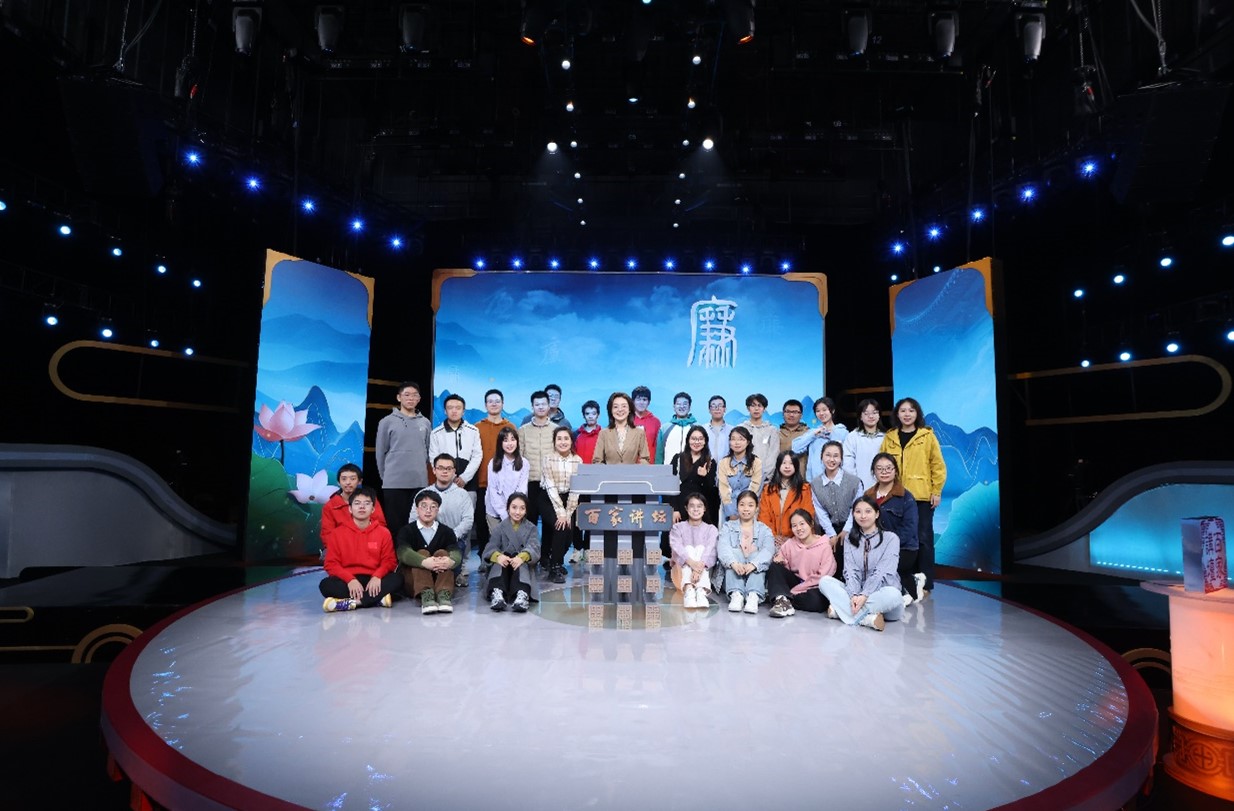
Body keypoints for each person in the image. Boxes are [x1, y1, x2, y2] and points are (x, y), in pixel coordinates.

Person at [879, 397, 946, 597]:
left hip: (921, 495)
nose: (907, 414)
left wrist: (936, 491)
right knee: (899, 537)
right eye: (903, 410)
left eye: (911, 410)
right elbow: (882, 463)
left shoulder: (927, 436)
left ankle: (925, 583)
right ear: (897, 414)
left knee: (923, 538)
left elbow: (938, 465)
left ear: (917, 413)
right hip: (895, 495)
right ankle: (903, 579)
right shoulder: (890, 437)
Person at [818, 495, 905, 631]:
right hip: (857, 596)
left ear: (877, 514)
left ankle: (843, 612)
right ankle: (867, 619)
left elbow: (883, 571)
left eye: (868, 511)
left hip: (882, 597)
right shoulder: (849, 539)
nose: (863, 516)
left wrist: (865, 595)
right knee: (824, 581)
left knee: (894, 594)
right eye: (858, 512)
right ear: (853, 515)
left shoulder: (891, 538)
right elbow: (850, 571)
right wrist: (854, 594)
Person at [319, 488, 401, 612]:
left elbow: (389, 561)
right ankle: (376, 599)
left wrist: (377, 576)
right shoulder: (337, 533)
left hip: (373, 578)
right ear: (350, 509)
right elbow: (331, 564)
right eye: (357, 503)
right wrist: (350, 580)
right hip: (347, 580)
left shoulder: (383, 533)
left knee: (398, 579)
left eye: (367, 503)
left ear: (373, 509)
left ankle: (354, 603)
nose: (362, 507)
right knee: (326, 585)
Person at [374, 381, 431, 538]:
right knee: (395, 525)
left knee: (417, 524)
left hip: (419, 482)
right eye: (407, 395)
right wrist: (386, 477)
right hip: (394, 483)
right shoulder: (387, 422)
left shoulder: (425, 422)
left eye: (414, 395)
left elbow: (427, 452)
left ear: (419, 399)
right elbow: (380, 452)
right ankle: (396, 553)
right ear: (399, 397)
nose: (411, 398)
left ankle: (412, 553)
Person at [865, 452, 921, 605]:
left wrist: (888, 546)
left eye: (889, 468)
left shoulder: (906, 497)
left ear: (895, 471)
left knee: (884, 568)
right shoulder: (868, 496)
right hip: (875, 546)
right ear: (873, 471)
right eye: (880, 468)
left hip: (904, 547)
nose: (884, 472)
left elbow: (909, 528)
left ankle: (910, 585)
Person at [396, 489, 461, 615]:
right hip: (414, 580)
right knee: (422, 552)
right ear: (417, 509)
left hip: (439, 578)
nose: (428, 510)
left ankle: (443, 595)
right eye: (424, 506)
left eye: (433, 507)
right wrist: (424, 562)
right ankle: (426, 596)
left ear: (438, 510)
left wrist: (450, 561)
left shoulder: (446, 531)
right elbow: (403, 553)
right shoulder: (407, 530)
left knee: (443, 553)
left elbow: (456, 552)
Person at [766, 509, 836, 618]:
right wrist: (780, 560)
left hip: (813, 586)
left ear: (811, 524)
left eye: (802, 524)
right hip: (796, 582)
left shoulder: (824, 546)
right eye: (794, 526)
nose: (798, 528)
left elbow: (824, 576)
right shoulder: (790, 543)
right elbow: (782, 564)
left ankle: (785, 599)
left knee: (817, 601)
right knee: (774, 567)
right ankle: (782, 600)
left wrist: (796, 590)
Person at [420, 454, 476, 588]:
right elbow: (413, 519)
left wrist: (451, 535)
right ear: (434, 470)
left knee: (447, 571)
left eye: (449, 468)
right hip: (428, 542)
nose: (444, 471)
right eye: (440, 468)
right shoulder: (423, 494)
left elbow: (468, 520)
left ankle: (450, 579)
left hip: (454, 542)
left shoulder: (463, 494)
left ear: (454, 472)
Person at [716, 490, 775, 613]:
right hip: (734, 570)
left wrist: (754, 564)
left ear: (756, 508)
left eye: (750, 505)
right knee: (734, 553)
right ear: (737, 507)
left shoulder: (765, 530)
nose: (746, 509)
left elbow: (768, 550)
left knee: (757, 556)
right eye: (742, 504)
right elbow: (722, 547)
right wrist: (733, 563)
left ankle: (753, 595)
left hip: (754, 572)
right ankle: (736, 594)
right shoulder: (728, 527)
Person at [483, 492, 540, 612]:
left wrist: (522, 557)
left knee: (520, 560)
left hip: (520, 567)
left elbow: (534, 547)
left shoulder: (531, 528)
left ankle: (522, 594)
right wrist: (498, 556)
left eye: (522, 508)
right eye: (514, 507)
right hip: (503, 567)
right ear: (508, 508)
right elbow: (490, 547)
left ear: (526, 510)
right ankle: (497, 593)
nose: (517, 512)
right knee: (501, 558)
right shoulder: (499, 527)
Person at [475, 388, 516, 555]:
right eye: (490, 401)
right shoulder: (477, 427)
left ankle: (504, 556)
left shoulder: (510, 427)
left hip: (505, 486)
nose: (494, 404)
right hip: (482, 482)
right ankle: (485, 557)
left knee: (504, 522)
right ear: (485, 405)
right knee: (482, 522)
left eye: (497, 401)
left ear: (503, 404)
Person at [519, 390, 558, 558]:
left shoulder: (556, 430)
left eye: (543, 404)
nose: (541, 407)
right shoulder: (523, 430)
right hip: (531, 482)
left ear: (549, 406)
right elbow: (519, 457)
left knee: (550, 523)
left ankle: (546, 557)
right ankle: (530, 555)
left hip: (550, 483)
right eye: (537, 404)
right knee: (530, 521)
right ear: (532, 407)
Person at [542, 426, 583, 583]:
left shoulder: (578, 460)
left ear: (571, 441)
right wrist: (561, 513)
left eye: (566, 438)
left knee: (569, 533)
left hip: (569, 500)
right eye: (559, 439)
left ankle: (557, 559)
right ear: (554, 442)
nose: (562, 442)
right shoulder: (548, 459)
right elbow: (550, 486)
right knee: (560, 527)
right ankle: (554, 568)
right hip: (548, 498)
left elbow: (575, 489)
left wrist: (568, 513)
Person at [320, 463, 386, 555]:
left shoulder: (371, 500)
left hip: (367, 542)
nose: (348, 482)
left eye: (352, 479)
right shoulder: (330, 506)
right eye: (344, 479)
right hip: (340, 546)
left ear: (360, 481)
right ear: (338, 482)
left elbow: (380, 525)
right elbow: (327, 533)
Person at [667, 492, 718, 609]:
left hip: (703, 572)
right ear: (686, 508)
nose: (695, 509)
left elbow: (710, 553)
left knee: (701, 549)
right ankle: (689, 589)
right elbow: (677, 550)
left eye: (699, 506)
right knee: (688, 549)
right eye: (692, 506)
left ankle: (700, 591)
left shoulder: (711, 529)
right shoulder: (677, 528)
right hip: (680, 574)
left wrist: (698, 569)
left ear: (704, 508)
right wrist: (692, 563)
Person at [758, 450, 813, 548]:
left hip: (798, 540)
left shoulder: (804, 489)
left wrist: (792, 539)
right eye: (784, 463)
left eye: (791, 463)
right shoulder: (768, 489)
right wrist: (773, 536)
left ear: (796, 466)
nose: (787, 466)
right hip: (771, 540)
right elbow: (763, 517)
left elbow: (808, 516)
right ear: (778, 465)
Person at [427, 393, 482, 491]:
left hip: (469, 483)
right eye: (450, 408)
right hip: (444, 483)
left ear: (463, 411)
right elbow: (433, 458)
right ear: (445, 411)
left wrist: (464, 478)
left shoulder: (473, 431)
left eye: (458, 408)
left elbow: (477, 456)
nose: (454, 411)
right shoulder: (436, 433)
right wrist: (450, 477)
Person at [810, 441, 859, 545]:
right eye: (828, 455)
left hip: (853, 528)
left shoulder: (854, 482)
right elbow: (820, 512)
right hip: (827, 530)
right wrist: (831, 534)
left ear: (841, 459)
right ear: (821, 457)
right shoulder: (815, 484)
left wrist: (846, 530)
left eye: (836, 456)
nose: (831, 459)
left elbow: (856, 508)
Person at [669, 425, 719, 526]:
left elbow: (712, 493)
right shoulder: (678, 459)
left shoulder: (710, 462)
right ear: (688, 440)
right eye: (693, 439)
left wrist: (705, 477)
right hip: (680, 507)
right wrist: (675, 509)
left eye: (700, 439)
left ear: (705, 441)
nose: (697, 442)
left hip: (700, 510)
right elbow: (670, 485)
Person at [792, 396, 850, 482]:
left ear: (832, 411)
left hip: (837, 480)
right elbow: (795, 448)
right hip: (815, 481)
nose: (821, 413)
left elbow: (847, 458)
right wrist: (813, 434)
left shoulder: (842, 432)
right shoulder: (813, 432)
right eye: (818, 411)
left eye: (824, 410)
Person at [484, 427, 528, 532]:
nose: (510, 444)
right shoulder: (493, 463)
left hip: (516, 512)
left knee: (513, 540)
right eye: (505, 440)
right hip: (494, 512)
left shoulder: (524, 463)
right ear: (500, 443)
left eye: (513, 439)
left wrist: (513, 511)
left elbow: (522, 490)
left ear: (517, 442)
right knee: (498, 540)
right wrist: (504, 514)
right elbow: (493, 491)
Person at [592, 392, 651, 464]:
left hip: (632, 471)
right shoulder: (603, 433)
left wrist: (635, 469)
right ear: (611, 410)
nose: (620, 410)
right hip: (609, 471)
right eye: (615, 407)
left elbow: (645, 459)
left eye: (624, 406)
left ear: (629, 409)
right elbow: (597, 461)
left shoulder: (639, 433)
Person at [717, 426, 761, 521]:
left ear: (748, 442)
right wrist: (731, 513)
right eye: (733, 439)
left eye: (741, 439)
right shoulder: (723, 462)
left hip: (750, 509)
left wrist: (745, 509)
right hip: (728, 509)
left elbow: (755, 488)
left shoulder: (756, 462)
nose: (737, 443)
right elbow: (724, 489)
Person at [842, 398, 886, 493]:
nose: (871, 416)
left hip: (883, 487)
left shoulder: (886, 437)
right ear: (860, 417)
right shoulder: (852, 437)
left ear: (879, 415)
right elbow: (847, 463)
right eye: (866, 413)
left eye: (874, 412)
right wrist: (857, 484)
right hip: (860, 488)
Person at [738, 393, 777, 479]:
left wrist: (764, 474)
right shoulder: (740, 429)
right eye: (753, 405)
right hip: (743, 476)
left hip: (765, 478)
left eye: (760, 405)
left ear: (764, 409)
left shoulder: (771, 430)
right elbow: (736, 452)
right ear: (748, 408)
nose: (756, 409)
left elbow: (773, 454)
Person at [656, 392, 697, 464]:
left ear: (690, 407)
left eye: (685, 404)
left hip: (692, 470)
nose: (682, 406)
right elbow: (659, 454)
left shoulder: (697, 428)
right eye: (678, 404)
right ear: (674, 407)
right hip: (668, 470)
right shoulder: (665, 428)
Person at [630, 385, 660, 461]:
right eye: (638, 399)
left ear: (649, 402)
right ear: (633, 401)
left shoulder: (655, 422)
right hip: (630, 464)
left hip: (649, 464)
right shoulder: (626, 420)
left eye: (644, 400)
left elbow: (658, 447)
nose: (641, 402)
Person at [704, 394, 732, 461]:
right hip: (706, 466)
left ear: (725, 409)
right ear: (709, 410)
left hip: (727, 466)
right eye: (714, 406)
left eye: (720, 405)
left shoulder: (732, 430)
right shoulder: (702, 429)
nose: (717, 408)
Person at [574, 400, 602, 465]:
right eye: (587, 413)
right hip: (579, 469)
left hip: (597, 469)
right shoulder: (576, 434)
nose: (590, 416)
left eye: (593, 413)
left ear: (598, 415)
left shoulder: (603, 434)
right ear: (583, 415)